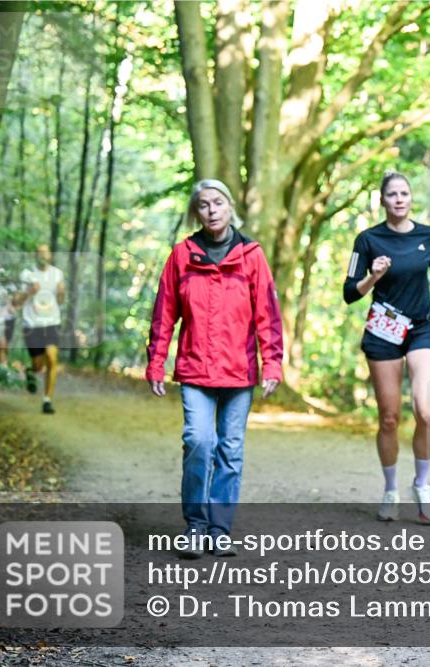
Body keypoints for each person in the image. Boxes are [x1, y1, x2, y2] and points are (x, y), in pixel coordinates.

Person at [146, 179, 283, 559]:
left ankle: (220, 529)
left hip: (239, 372)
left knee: (231, 449)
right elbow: (164, 314)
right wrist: (156, 362)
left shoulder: (251, 255)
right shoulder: (181, 255)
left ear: (229, 207)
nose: (211, 210)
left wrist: (272, 363)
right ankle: (195, 525)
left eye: (217, 203)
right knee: (199, 441)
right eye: (203, 204)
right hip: (195, 370)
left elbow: (267, 315)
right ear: (196, 212)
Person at [343, 172, 430, 524]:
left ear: (411, 198)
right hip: (383, 332)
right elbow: (350, 292)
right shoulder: (367, 240)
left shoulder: (427, 235)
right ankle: (391, 489)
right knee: (390, 418)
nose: (398, 199)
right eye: (391, 194)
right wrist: (372, 277)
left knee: (425, 411)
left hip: (421, 328)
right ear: (382, 200)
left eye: (404, 193)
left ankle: (422, 485)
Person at [17, 245, 65, 414]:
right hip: (32, 324)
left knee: (52, 358)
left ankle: (47, 400)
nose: (43, 255)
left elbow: (60, 301)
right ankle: (31, 371)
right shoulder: (27, 274)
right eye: (40, 253)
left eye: (46, 252)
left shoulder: (57, 274)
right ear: (36, 256)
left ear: (50, 256)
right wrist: (30, 291)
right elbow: (17, 301)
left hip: (52, 322)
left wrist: (61, 293)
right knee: (38, 366)